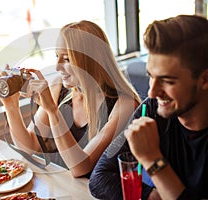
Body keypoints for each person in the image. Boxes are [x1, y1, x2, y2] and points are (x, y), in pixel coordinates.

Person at [0, 20, 141, 177]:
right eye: (57, 57)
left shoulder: (125, 105)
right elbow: (29, 146)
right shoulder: (58, 87)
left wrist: (53, 111)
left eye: (66, 59)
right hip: (63, 186)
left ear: (92, 61)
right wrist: (10, 105)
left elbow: (81, 167)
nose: (57, 67)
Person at [89, 14, 208, 199]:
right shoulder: (152, 109)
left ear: (204, 79)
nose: (152, 92)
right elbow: (99, 177)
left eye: (167, 81)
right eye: (151, 76)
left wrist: (152, 160)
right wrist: (155, 196)